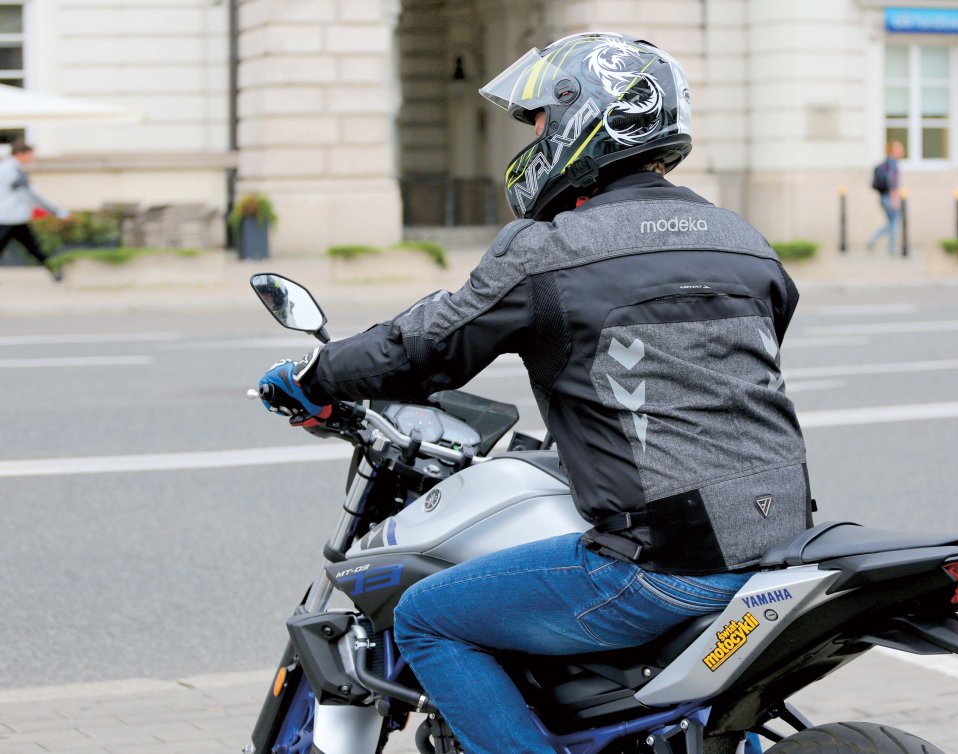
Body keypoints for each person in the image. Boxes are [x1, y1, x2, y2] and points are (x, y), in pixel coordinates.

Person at [258, 32, 811, 754]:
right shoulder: (740, 238)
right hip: (783, 543)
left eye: (543, 118)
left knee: (426, 617)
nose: (537, 135)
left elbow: (425, 347)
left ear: (589, 119)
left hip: (666, 565)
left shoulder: (551, 249)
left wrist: (313, 377)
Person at [0, 143, 70, 281]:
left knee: (33, 247)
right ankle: (54, 269)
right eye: (29, 154)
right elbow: (31, 194)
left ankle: (54, 270)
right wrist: (58, 211)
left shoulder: (9, 168)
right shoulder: (11, 170)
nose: (31, 158)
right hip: (9, 217)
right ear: (19, 154)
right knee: (33, 247)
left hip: (14, 217)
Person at [867, 140, 904, 256]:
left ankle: (873, 240)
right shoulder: (892, 163)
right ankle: (891, 249)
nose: (902, 150)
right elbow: (892, 182)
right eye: (899, 148)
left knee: (891, 223)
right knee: (893, 223)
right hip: (889, 197)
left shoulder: (887, 163)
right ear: (893, 150)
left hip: (884, 197)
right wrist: (895, 198)